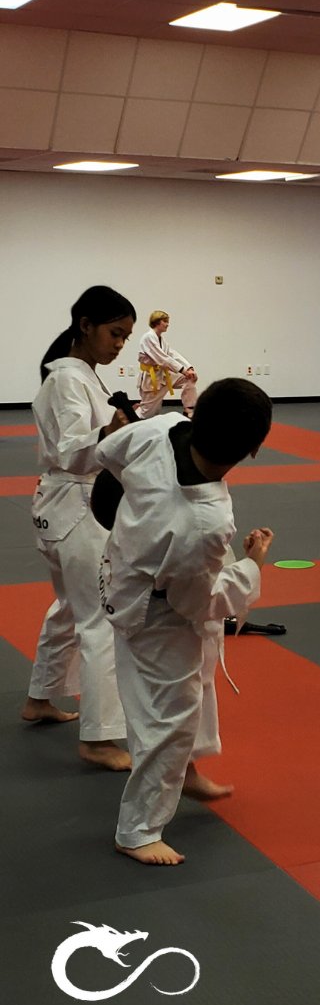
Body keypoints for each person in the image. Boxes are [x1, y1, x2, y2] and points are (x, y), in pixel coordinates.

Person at [98, 378, 274, 866]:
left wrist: (133, 518)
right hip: (154, 613)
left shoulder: (163, 427)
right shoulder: (204, 520)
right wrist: (252, 566)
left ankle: (184, 772)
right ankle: (138, 830)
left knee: (198, 680)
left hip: (128, 567)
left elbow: (108, 454)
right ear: (254, 449)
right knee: (168, 718)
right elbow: (197, 604)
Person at [22, 286, 135, 771]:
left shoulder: (78, 375)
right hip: (77, 505)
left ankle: (41, 697)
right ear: (85, 325)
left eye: (126, 337)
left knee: (70, 606)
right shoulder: (68, 379)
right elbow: (72, 448)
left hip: (64, 505)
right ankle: (100, 738)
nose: (120, 344)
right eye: (115, 333)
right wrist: (110, 432)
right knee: (101, 619)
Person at [137, 310, 198, 418]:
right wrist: (183, 370)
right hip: (152, 379)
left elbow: (172, 354)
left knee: (189, 378)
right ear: (157, 322)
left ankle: (189, 409)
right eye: (165, 321)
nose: (167, 324)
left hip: (164, 375)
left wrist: (189, 367)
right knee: (147, 414)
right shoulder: (148, 338)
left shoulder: (161, 339)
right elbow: (163, 359)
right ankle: (130, 415)